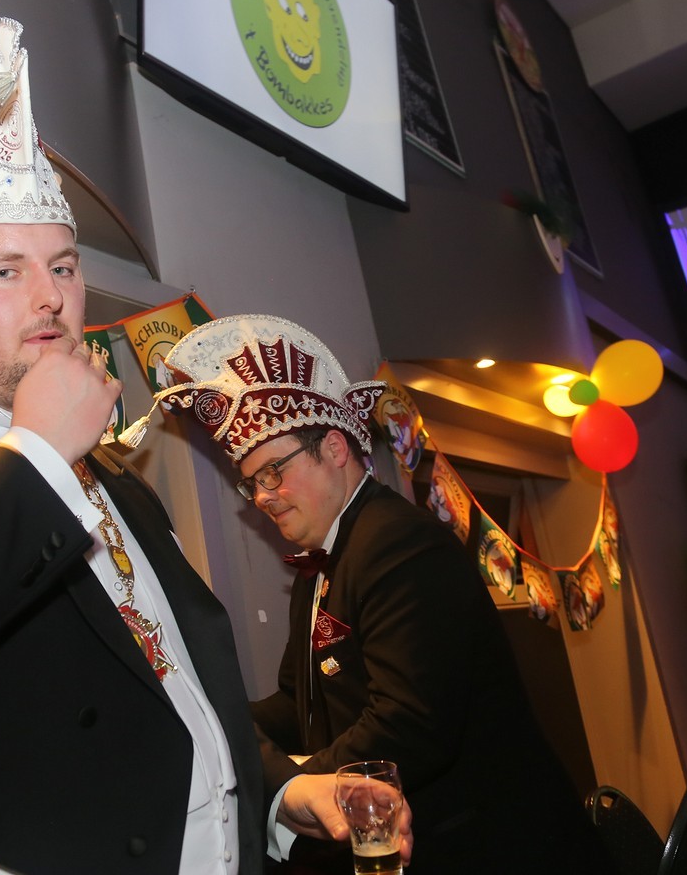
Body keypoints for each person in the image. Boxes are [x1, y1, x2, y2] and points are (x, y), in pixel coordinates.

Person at [0, 18, 391, 874]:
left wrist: (275, 788)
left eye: (63, 266)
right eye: (5, 271)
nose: (50, 297)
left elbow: (168, 681)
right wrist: (38, 454)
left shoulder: (115, 479)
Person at [154, 314, 613, 873]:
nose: (264, 496)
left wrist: (290, 789)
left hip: (496, 848)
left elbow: (409, 725)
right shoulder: (317, 570)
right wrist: (222, 726)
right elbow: (299, 705)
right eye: (252, 484)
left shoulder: (398, 542)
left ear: (334, 448)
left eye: (273, 471)